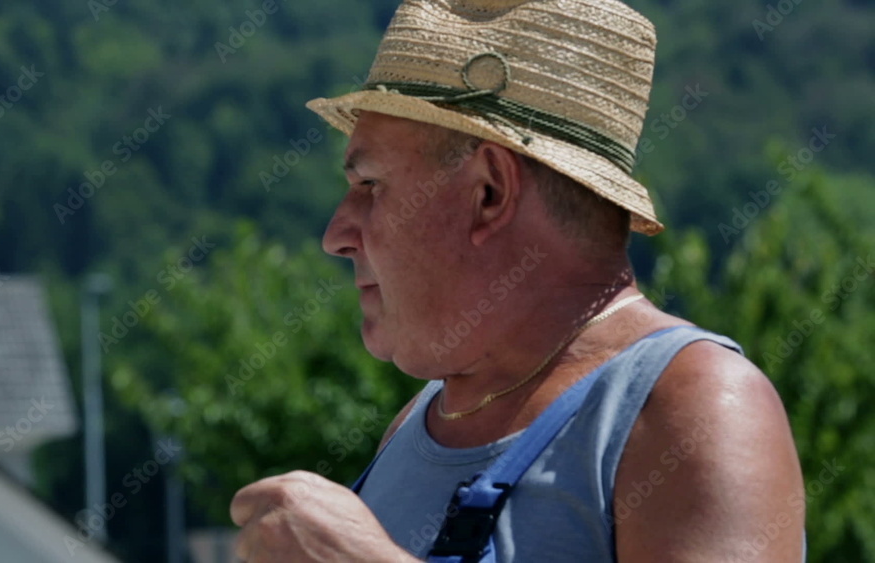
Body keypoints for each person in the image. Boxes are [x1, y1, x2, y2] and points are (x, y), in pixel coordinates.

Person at [230, 0, 805, 561]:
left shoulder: (697, 404)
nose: (336, 233)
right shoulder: (421, 419)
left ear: (490, 193)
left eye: (370, 186)